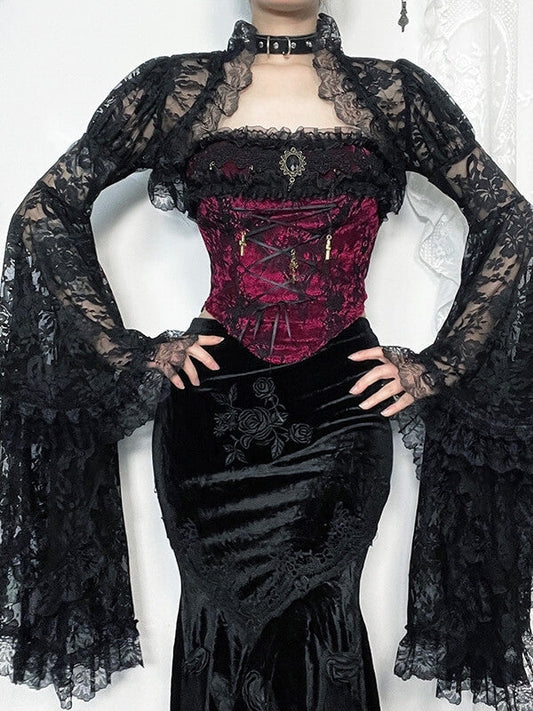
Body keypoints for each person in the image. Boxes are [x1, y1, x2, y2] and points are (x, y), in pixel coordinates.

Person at [0, 1, 532, 710]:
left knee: (324, 624)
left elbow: (509, 218)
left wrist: (440, 365)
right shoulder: (175, 91)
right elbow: (43, 214)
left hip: (341, 417)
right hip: (209, 423)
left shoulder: (393, 95)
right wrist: (130, 355)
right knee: (215, 627)